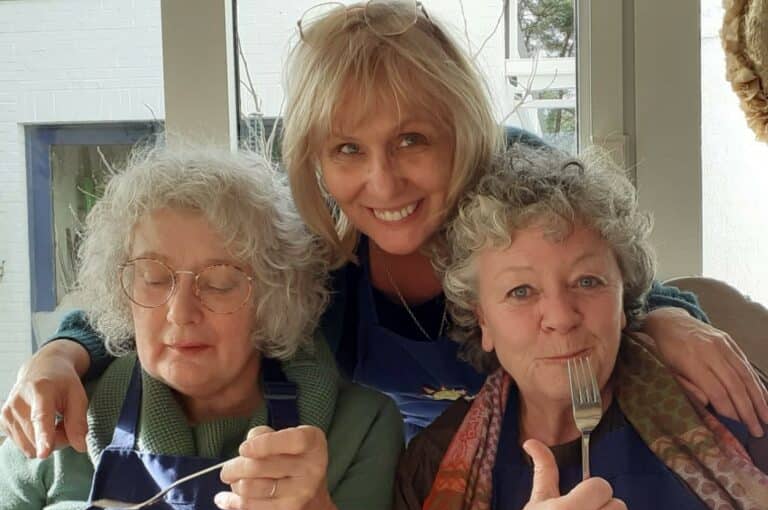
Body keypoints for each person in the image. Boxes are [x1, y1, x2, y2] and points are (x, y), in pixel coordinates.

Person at [2, 0, 766, 453]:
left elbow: (611, 277)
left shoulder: (522, 188)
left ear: (461, 131)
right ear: (314, 158)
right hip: (393, 495)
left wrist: (670, 316)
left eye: (411, 140)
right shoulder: (309, 239)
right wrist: (60, 353)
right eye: (347, 151)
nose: (384, 183)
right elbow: (172, 282)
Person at [0, 145, 403, 510]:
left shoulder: (358, 427)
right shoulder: (59, 409)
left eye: (220, 282)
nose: (180, 312)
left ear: (274, 295)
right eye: (153, 277)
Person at [389, 144, 768, 510]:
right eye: (521, 291)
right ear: (483, 321)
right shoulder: (433, 469)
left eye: (588, 281)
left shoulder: (717, 398)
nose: (562, 317)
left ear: (624, 298)